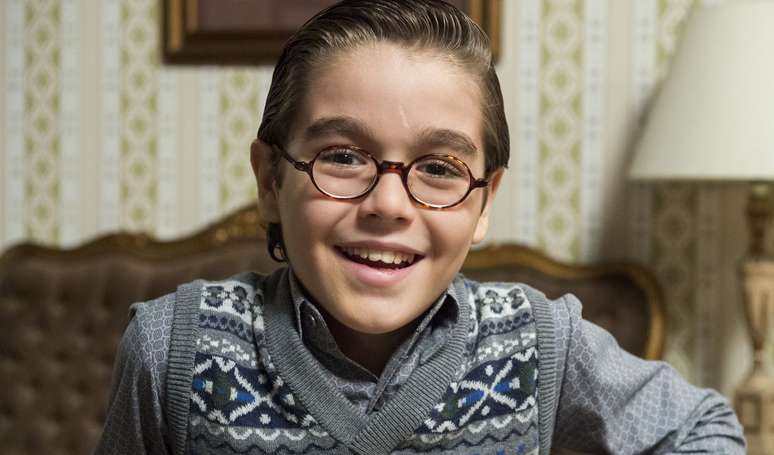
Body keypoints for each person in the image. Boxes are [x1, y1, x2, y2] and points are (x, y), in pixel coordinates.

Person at [95, 1, 746, 453]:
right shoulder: (172, 348)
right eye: (342, 156)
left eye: (438, 168)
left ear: (484, 201)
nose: (389, 204)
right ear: (270, 180)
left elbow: (704, 429)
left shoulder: (543, 342)